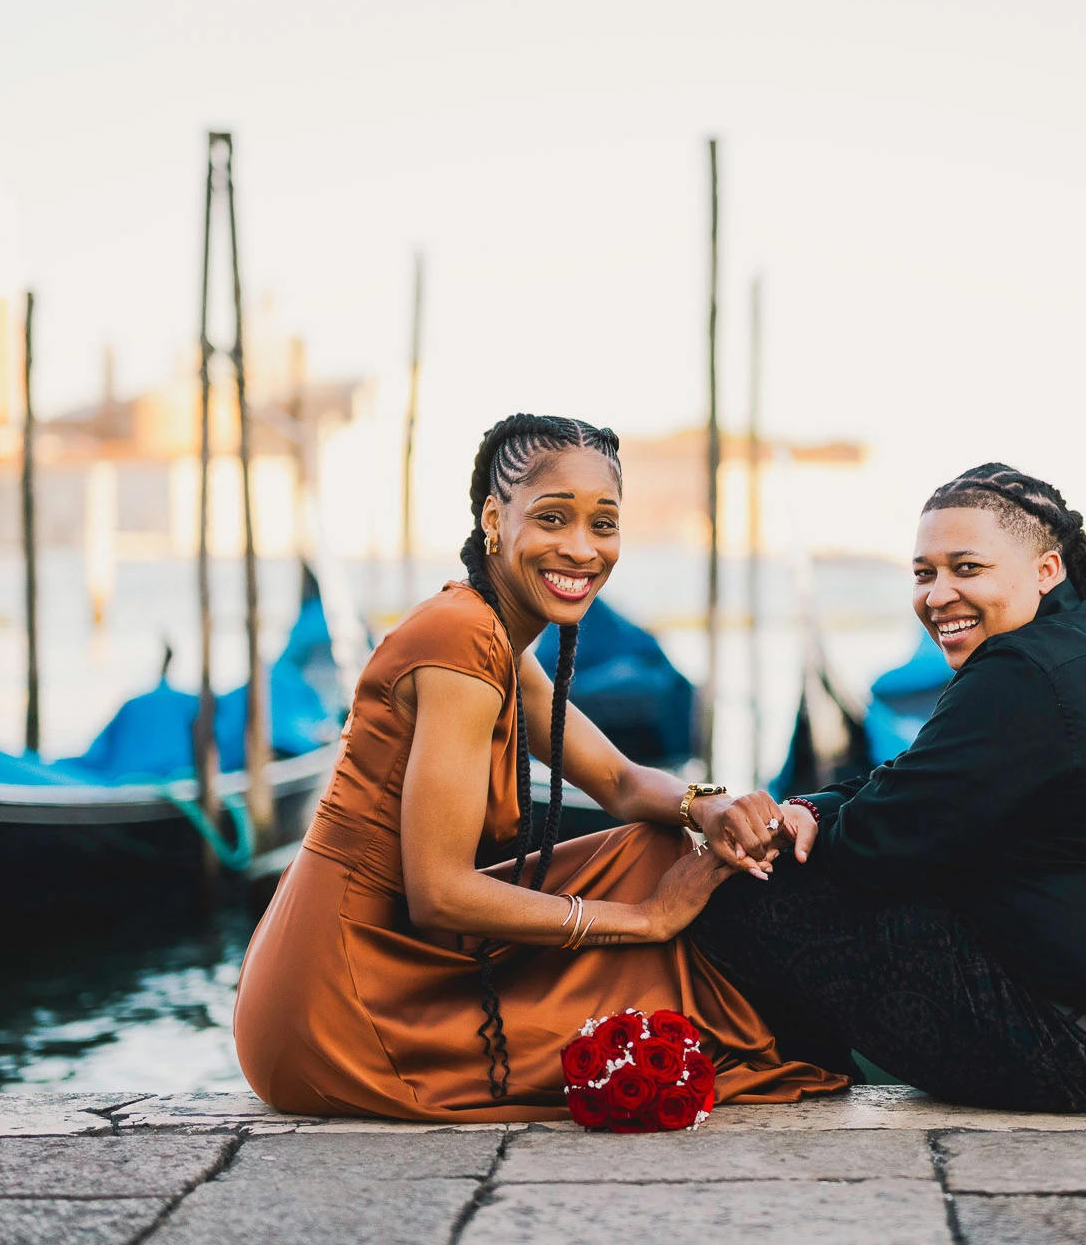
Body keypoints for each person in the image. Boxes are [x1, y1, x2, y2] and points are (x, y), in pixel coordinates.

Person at [235, 414, 846, 1120]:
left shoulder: (495, 636)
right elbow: (438, 892)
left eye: (604, 524)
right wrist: (645, 920)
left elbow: (617, 781)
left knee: (653, 838)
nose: (581, 549)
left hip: (373, 963)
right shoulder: (462, 638)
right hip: (338, 1007)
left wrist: (707, 805)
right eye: (553, 518)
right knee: (668, 931)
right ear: (495, 519)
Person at [690, 463, 1086, 1112]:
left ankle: (798, 1081)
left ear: (1046, 570)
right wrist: (813, 805)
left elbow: (878, 842)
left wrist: (795, 827)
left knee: (748, 885)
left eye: (967, 568)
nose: (937, 595)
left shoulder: (1024, 672)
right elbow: (920, 782)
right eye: (924, 573)